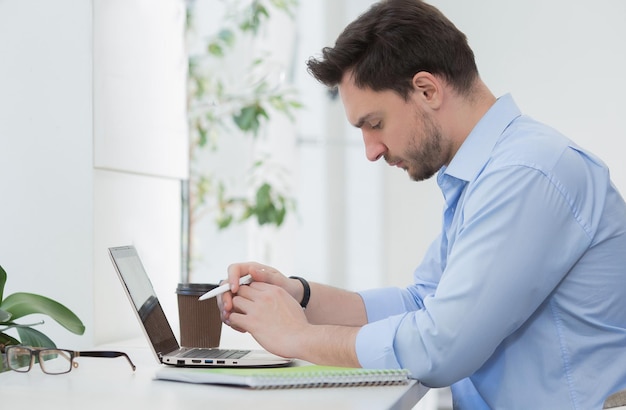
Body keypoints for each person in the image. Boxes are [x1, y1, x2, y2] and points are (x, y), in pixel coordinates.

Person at [217, 0, 626, 408]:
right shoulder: (486, 173)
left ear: (427, 90)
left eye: (374, 124)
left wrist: (298, 337)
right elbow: (421, 302)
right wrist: (300, 295)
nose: (371, 151)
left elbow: (439, 347)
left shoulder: (527, 173)